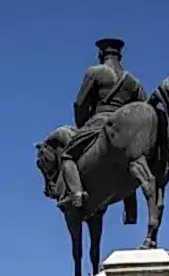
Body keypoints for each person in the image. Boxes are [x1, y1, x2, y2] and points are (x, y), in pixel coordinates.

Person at [56, 38, 146, 213]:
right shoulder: (133, 81)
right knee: (131, 157)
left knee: (67, 155)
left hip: (99, 121)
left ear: (101, 54)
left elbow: (80, 103)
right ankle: (130, 206)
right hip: (126, 128)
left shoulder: (95, 72)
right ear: (120, 55)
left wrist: (82, 125)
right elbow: (142, 106)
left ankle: (77, 194)